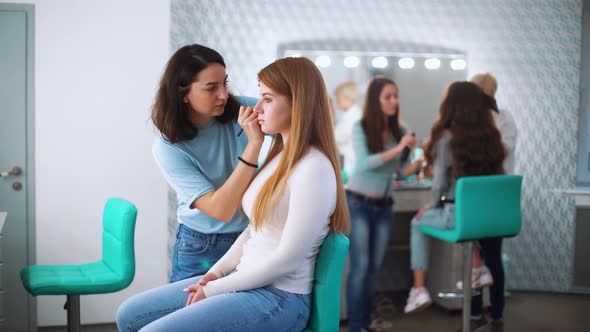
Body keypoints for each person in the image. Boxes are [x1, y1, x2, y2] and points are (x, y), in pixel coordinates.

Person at [116, 56, 351, 332]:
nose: (256, 107)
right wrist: (215, 273)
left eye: (267, 99)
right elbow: (254, 230)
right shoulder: (280, 158)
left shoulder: (314, 168)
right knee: (129, 315)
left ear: (298, 103)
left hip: (279, 297)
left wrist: (217, 288)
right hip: (248, 280)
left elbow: (288, 259)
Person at [150, 44, 264, 282]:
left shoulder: (242, 110)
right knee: (186, 318)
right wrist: (253, 146)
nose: (223, 94)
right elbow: (221, 210)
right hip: (202, 246)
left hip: (250, 238)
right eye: (211, 88)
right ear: (183, 94)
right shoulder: (168, 147)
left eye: (224, 83)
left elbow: (299, 116)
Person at [404, 82, 506, 331]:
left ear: (450, 105)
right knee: (466, 232)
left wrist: (428, 207)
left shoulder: (446, 138)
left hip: (458, 216)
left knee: (417, 222)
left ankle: (419, 290)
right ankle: (479, 267)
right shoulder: (491, 136)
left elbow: (438, 185)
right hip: (486, 218)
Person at [345, 77, 419, 332]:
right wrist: (399, 148)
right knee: (361, 267)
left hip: (385, 207)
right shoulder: (361, 127)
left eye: (396, 96)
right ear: (376, 100)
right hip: (358, 205)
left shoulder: (401, 129)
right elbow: (366, 164)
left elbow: (399, 172)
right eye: (388, 96)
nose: (394, 101)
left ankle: (365, 323)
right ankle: (357, 326)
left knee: (373, 268)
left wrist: (419, 161)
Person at [470, 72, 518, 328]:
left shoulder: (504, 119)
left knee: (492, 255)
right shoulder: (472, 121)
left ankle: (497, 310)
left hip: (495, 197)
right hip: (477, 196)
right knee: (474, 255)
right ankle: (476, 310)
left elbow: (501, 151)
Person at [333, 81, 362, 176]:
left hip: (350, 164)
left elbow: (336, 137)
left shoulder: (354, 117)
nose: (336, 101)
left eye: (338, 98)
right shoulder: (349, 116)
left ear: (346, 97)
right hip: (347, 163)